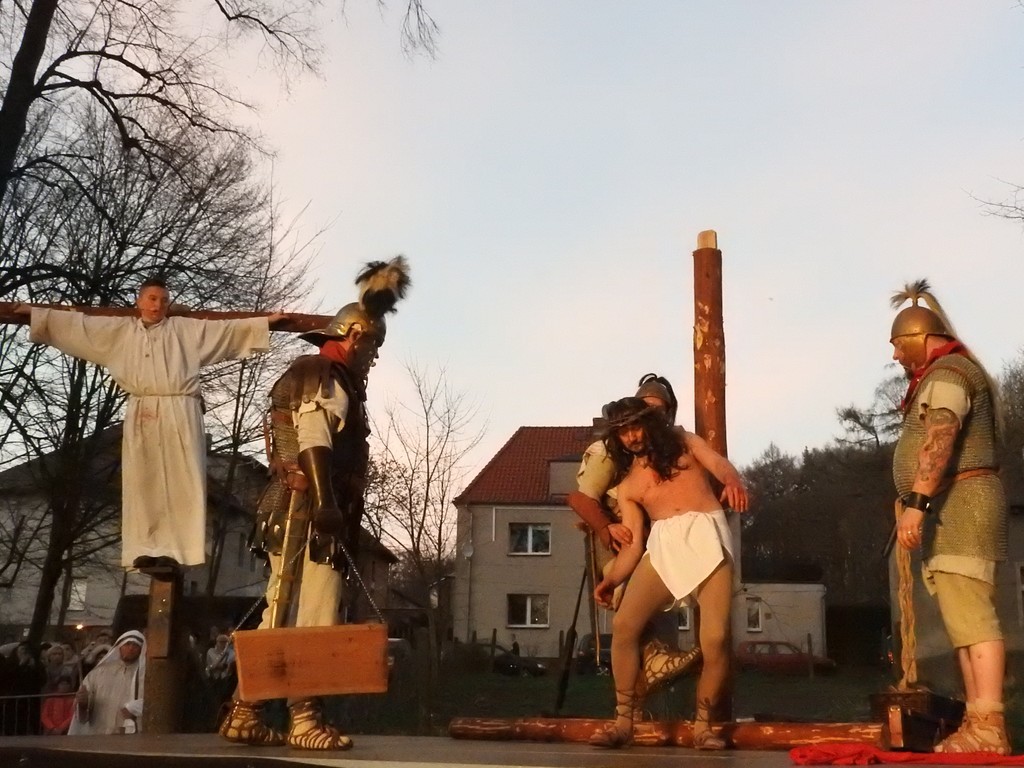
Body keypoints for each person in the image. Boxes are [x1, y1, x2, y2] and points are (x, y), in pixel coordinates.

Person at [219, 256, 410, 752]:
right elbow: (313, 439)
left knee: (280, 611)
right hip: (307, 510)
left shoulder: (320, 374)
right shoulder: (323, 372)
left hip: (297, 507)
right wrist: (326, 503)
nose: (373, 358)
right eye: (373, 347)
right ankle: (304, 718)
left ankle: (245, 711)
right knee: (314, 611)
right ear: (354, 336)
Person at [15, 280, 285, 569]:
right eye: (153, 299)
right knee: (143, 479)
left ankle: (178, 549)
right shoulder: (120, 332)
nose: (158, 305)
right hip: (142, 409)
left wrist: (264, 324)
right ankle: (145, 546)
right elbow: (79, 326)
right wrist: (36, 315)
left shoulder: (184, 330)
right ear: (140, 301)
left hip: (180, 409)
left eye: (164, 300)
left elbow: (226, 331)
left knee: (182, 479)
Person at [889, 279, 1010, 755]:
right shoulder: (946, 373)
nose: (896, 356)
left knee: (974, 619)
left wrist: (916, 502)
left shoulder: (949, 373)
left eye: (898, 345)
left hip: (962, 505)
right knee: (963, 622)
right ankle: (978, 723)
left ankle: (990, 725)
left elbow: (941, 437)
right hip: (952, 507)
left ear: (918, 337)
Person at [588, 397, 748, 750]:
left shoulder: (684, 442)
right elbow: (633, 546)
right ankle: (623, 722)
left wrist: (732, 480)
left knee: (715, 638)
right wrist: (611, 580)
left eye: (635, 427)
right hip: (663, 545)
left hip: (706, 535)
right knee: (624, 626)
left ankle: (703, 728)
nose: (631, 437)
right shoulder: (629, 486)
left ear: (649, 424)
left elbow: (718, 464)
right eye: (623, 432)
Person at [567, 374, 702, 704]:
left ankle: (657, 695)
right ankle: (631, 706)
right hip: (620, 540)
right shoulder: (609, 449)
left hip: (656, 544)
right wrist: (605, 527)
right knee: (629, 609)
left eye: (660, 410)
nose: (652, 417)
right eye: (646, 409)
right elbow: (582, 498)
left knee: (659, 613)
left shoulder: (667, 452)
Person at [68, 630, 146, 735]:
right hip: (100, 732)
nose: (131, 648)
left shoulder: (146, 675)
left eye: (135, 645)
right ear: (119, 646)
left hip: (130, 734)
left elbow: (154, 702)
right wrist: (83, 702)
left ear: (141, 649)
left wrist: (135, 707)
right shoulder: (98, 673)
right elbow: (83, 708)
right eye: (127, 644)